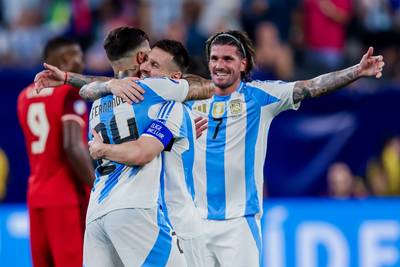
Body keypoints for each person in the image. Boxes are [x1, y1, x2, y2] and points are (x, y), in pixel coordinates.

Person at [34, 27, 214, 267]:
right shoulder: (156, 89)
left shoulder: (97, 103)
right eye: (148, 57)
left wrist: (71, 79)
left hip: (97, 214)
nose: (149, 65)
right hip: (135, 207)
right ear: (140, 58)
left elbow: (92, 89)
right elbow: (207, 86)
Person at [88, 39, 208, 267]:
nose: (144, 68)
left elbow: (142, 151)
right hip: (149, 216)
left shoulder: (172, 109)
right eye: (145, 61)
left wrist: (102, 149)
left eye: (154, 65)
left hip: (179, 227)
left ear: (174, 79)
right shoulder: (141, 107)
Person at [17, 37, 94, 267]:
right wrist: (96, 187)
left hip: (36, 196)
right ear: (65, 59)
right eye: (78, 55)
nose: (82, 61)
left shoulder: (23, 97)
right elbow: (72, 146)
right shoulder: (69, 93)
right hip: (66, 198)